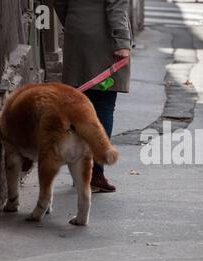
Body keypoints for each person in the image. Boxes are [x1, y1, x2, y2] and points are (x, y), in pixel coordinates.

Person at [54, 0, 132, 192]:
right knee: (103, 106)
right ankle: (95, 174)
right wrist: (122, 41)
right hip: (104, 39)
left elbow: (59, 3)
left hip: (77, 35)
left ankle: (80, 171)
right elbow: (116, 6)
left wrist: (75, 24)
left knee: (79, 107)